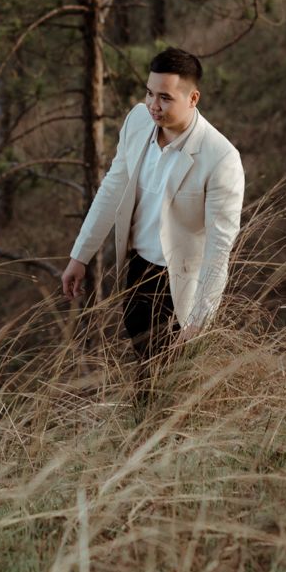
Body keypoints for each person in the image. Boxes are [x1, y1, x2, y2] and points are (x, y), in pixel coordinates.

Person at [60, 47, 246, 372]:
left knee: (169, 380)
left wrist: (198, 320)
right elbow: (113, 188)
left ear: (193, 98)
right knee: (145, 369)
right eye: (149, 93)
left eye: (165, 98)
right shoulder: (137, 121)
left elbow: (219, 248)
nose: (153, 105)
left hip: (180, 287)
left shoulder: (221, 158)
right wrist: (80, 256)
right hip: (136, 272)